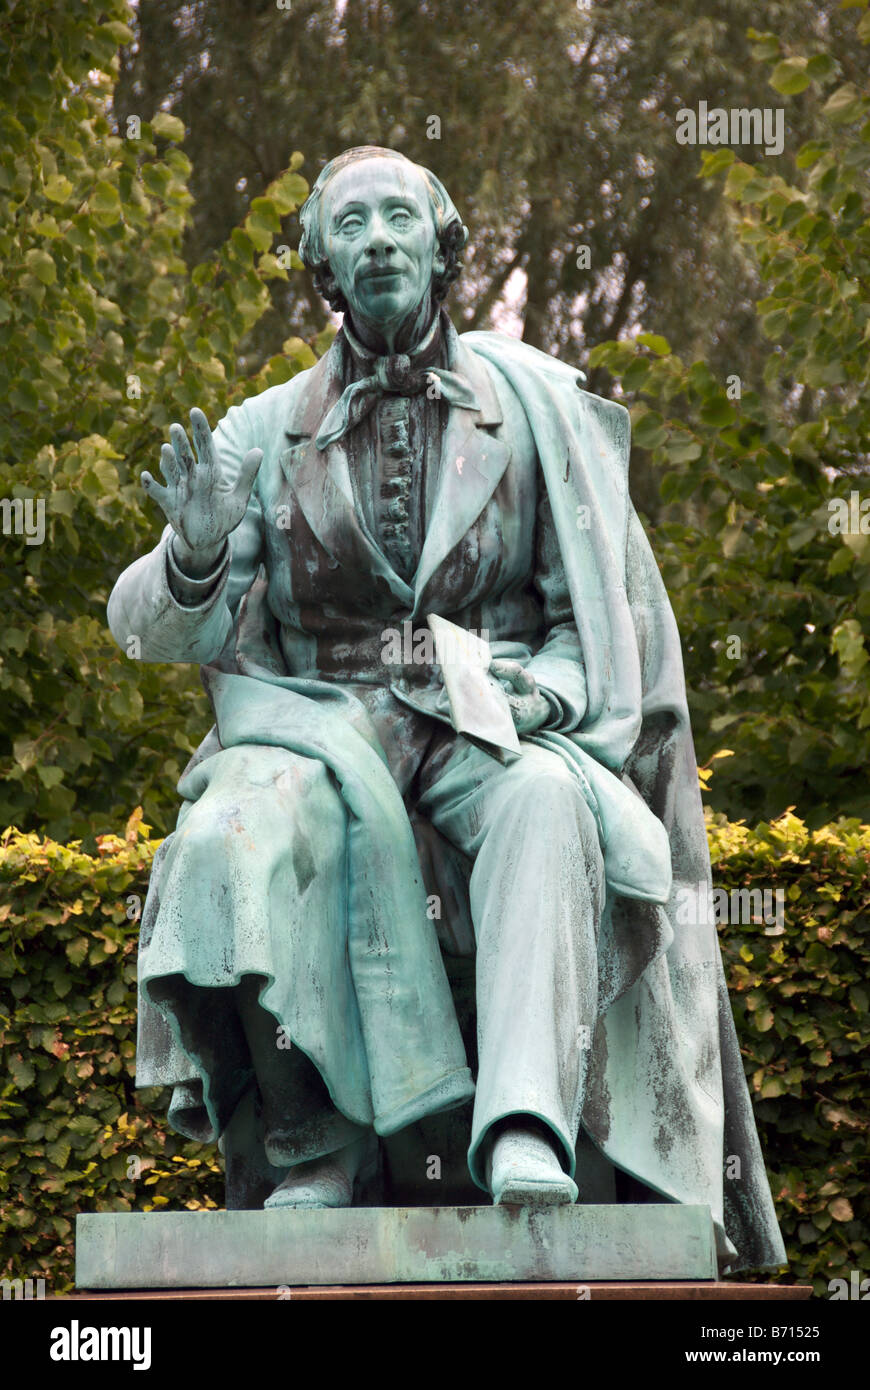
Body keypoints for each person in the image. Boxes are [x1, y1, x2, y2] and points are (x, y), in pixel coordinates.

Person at [107, 146, 786, 1271]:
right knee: (228, 829)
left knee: (541, 804)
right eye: (352, 223)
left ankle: (523, 1121)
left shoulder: (536, 407)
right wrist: (188, 549)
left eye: (399, 218)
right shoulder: (260, 430)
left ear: (442, 245)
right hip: (320, 723)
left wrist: (546, 691)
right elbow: (148, 632)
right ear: (321, 261)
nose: (377, 238)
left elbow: (595, 623)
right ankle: (308, 1141)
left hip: (488, 718)